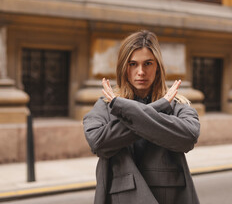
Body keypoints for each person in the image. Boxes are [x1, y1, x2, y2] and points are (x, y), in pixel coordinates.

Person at [83, 30, 200, 204]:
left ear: (157, 67)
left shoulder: (177, 103)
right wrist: (160, 107)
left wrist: (129, 111)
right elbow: (98, 142)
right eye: (133, 64)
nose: (141, 72)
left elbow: (188, 137)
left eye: (148, 63)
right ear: (124, 67)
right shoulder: (107, 104)